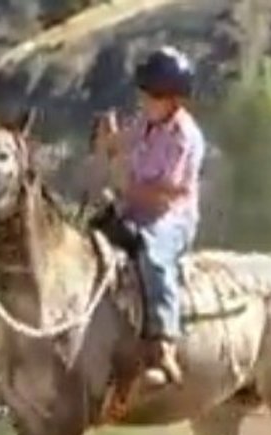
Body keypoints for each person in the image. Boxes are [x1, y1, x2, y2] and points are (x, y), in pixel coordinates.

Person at [94, 46, 207, 387]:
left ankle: (164, 343)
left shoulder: (184, 136)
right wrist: (108, 139)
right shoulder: (146, 123)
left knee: (153, 256)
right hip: (136, 210)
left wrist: (123, 186)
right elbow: (118, 143)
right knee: (92, 240)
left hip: (171, 218)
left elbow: (169, 191)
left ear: (172, 99)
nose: (143, 101)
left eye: (151, 95)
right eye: (143, 93)